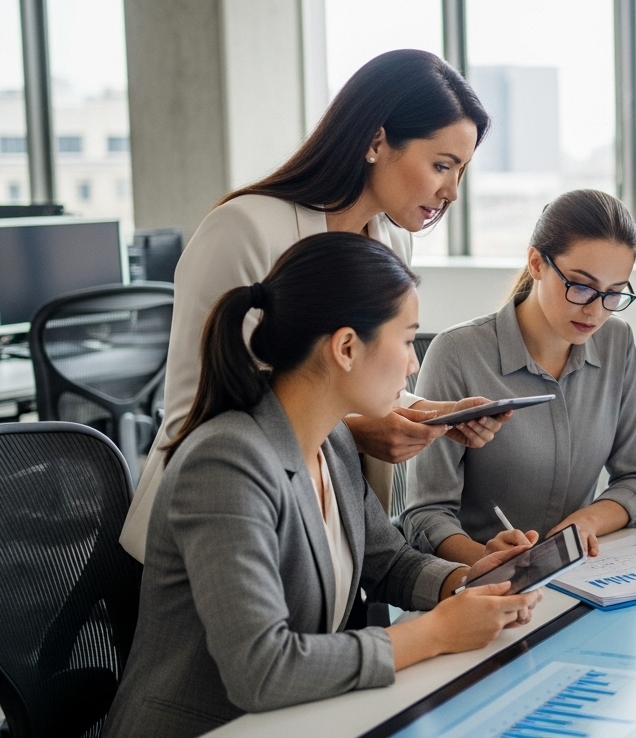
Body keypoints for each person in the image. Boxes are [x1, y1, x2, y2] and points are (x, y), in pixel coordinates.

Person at [103, 233, 542, 738]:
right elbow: (262, 669)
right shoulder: (225, 462)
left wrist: (465, 585)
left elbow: (389, 561)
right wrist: (437, 633)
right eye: (406, 340)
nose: (414, 363)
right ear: (347, 348)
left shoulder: (329, 440)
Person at [121, 50, 507, 561]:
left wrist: (430, 414)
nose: (451, 192)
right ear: (375, 141)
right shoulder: (245, 230)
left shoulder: (391, 240)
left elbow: (342, 375)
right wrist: (356, 431)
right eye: (442, 166)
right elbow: (203, 406)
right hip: (219, 528)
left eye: (460, 172)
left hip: (328, 527)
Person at [402, 190, 636, 562]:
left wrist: (585, 523)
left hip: (574, 576)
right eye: (581, 286)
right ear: (537, 262)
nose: (595, 311)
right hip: (476, 590)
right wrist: (485, 562)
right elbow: (425, 516)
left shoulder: (616, 342)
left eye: (614, 293)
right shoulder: (457, 353)